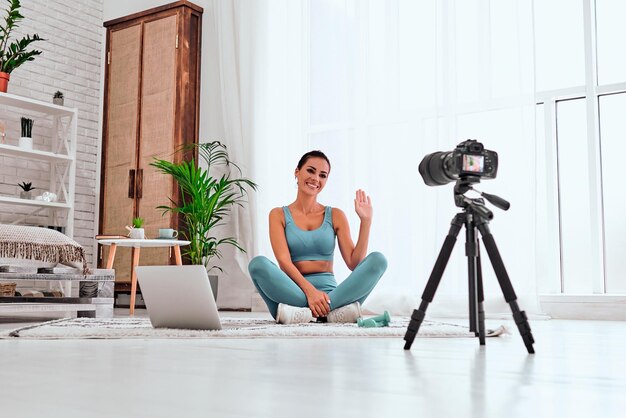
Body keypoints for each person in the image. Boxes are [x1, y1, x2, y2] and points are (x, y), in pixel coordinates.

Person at [248, 150, 387, 324]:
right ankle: (332, 313)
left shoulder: (335, 215)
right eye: (311, 171)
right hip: (293, 291)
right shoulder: (278, 215)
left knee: (379, 260)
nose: (316, 179)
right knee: (257, 265)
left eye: (323, 175)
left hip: (333, 295)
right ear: (297, 172)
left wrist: (365, 222)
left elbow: (354, 263)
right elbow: (284, 262)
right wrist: (310, 292)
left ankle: (308, 313)